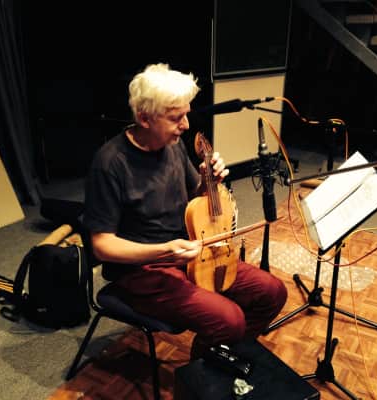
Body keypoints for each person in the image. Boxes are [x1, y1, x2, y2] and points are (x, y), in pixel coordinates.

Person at [83, 63, 287, 358]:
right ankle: (201, 375)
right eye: (176, 117)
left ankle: (218, 359)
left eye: (186, 114)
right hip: (143, 271)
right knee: (229, 320)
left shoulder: (172, 144)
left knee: (272, 292)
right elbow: (102, 246)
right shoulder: (110, 164)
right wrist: (164, 250)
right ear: (144, 118)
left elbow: (195, 197)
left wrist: (209, 181)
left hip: (191, 252)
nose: (187, 125)